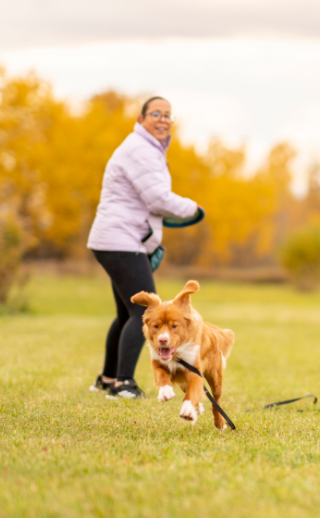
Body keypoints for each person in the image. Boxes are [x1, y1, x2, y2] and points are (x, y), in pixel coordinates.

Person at [87, 96, 204, 399]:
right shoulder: (140, 148)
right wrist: (193, 208)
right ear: (141, 119)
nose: (163, 119)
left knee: (124, 311)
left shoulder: (146, 148)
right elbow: (158, 198)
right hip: (120, 239)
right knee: (142, 313)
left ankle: (108, 378)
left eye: (168, 115)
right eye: (156, 113)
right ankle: (122, 384)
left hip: (116, 239)